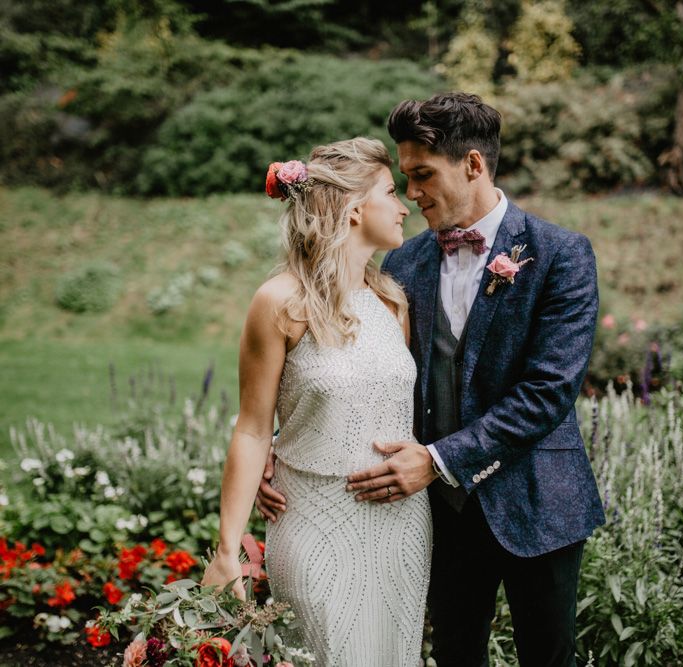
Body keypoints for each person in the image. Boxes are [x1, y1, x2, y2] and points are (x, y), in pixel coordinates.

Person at [258, 93, 605, 667]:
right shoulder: (403, 263)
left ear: (473, 164)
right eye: (405, 179)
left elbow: (548, 392)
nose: (412, 194)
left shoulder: (560, 255)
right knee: (453, 654)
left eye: (423, 175)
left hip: (538, 503)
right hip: (436, 513)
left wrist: (439, 458)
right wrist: (285, 446)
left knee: (549, 657)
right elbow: (363, 372)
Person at [202, 137, 432, 667]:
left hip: (402, 526)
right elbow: (253, 428)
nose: (404, 206)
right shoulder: (280, 302)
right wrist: (226, 548)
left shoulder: (392, 302)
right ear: (354, 211)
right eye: (391, 192)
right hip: (312, 520)